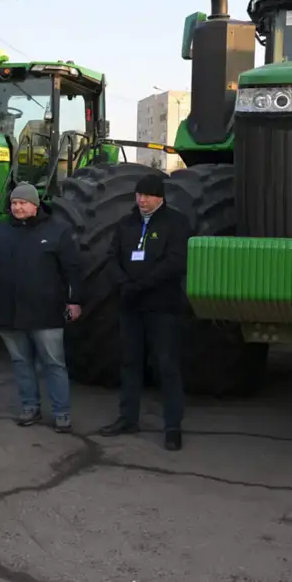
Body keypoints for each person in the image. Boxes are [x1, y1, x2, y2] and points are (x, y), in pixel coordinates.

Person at [0, 182, 84, 432]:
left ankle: (61, 412)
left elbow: (73, 269)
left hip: (45, 312)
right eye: (14, 203)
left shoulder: (58, 231)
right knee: (20, 362)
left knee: (54, 363)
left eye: (23, 203)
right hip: (8, 311)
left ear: (35, 205)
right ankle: (30, 407)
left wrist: (75, 300)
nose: (17, 207)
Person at [99, 173, 192, 451]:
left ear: (160, 197)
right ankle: (128, 418)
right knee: (129, 363)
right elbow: (111, 257)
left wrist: (141, 285)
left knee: (166, 365)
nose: (142, 200)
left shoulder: (176, 222)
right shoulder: (126, 223)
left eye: (148, 196)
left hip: (162, 306)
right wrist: (124, 284)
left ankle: (172, 426)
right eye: (139, 195)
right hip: (130, 306)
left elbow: (176, 262)